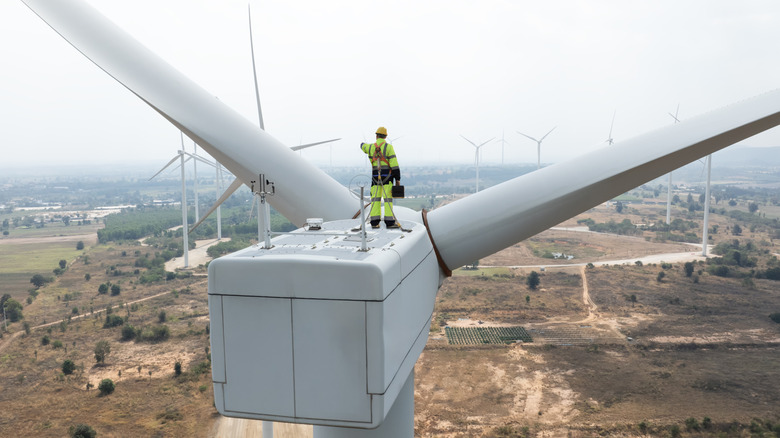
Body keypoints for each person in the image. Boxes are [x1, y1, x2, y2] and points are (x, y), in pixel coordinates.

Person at [360, 127, 401, 228]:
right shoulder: (389, 147)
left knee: (375, 200)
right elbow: (394, 164)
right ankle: (389, 222)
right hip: (388, 178)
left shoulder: (370, 147)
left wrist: (361, 144)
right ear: (386, 136)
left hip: (375, 179)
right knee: (388, 200)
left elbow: (363, 146)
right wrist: (398, 178)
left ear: (376, 135)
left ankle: (374, 223)